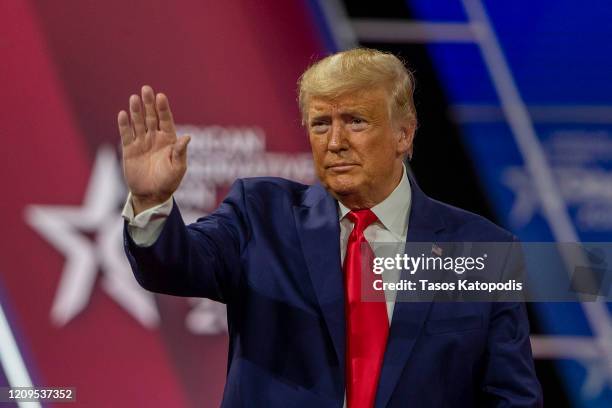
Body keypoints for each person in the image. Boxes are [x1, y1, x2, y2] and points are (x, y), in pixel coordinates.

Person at [118, 48, 542, 407]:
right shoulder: (261, 215)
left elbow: (511, 394)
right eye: (321, 123)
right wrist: (152, 202)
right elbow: (174, 266)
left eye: (356, 121)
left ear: (404, 135)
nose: (335, 141)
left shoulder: (478, 248)